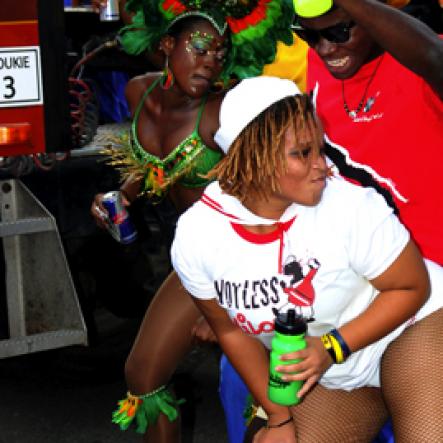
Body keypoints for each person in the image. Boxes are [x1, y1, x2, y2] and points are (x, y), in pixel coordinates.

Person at [171, 75, 443, 443]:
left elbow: (413, 287)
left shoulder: (349, 205)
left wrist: (333, 346)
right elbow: (230, 330)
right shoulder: (198, 235)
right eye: (303, 153)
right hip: (334, 371)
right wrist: (279, 418)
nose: (323, 165)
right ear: (254, 156)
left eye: (321, 148)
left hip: (410, 328)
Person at [89, 1, 297, 441]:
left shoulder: (225, 112)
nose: (210, 63)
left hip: (247, 258)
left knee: (263, 396)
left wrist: (226, 306)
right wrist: (121, 195)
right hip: (196, 259)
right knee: (142, 376)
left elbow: (272, 195)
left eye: (220, 53)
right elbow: (154, 167)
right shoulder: (138, 93)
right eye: (200, 48)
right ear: (167, 44)